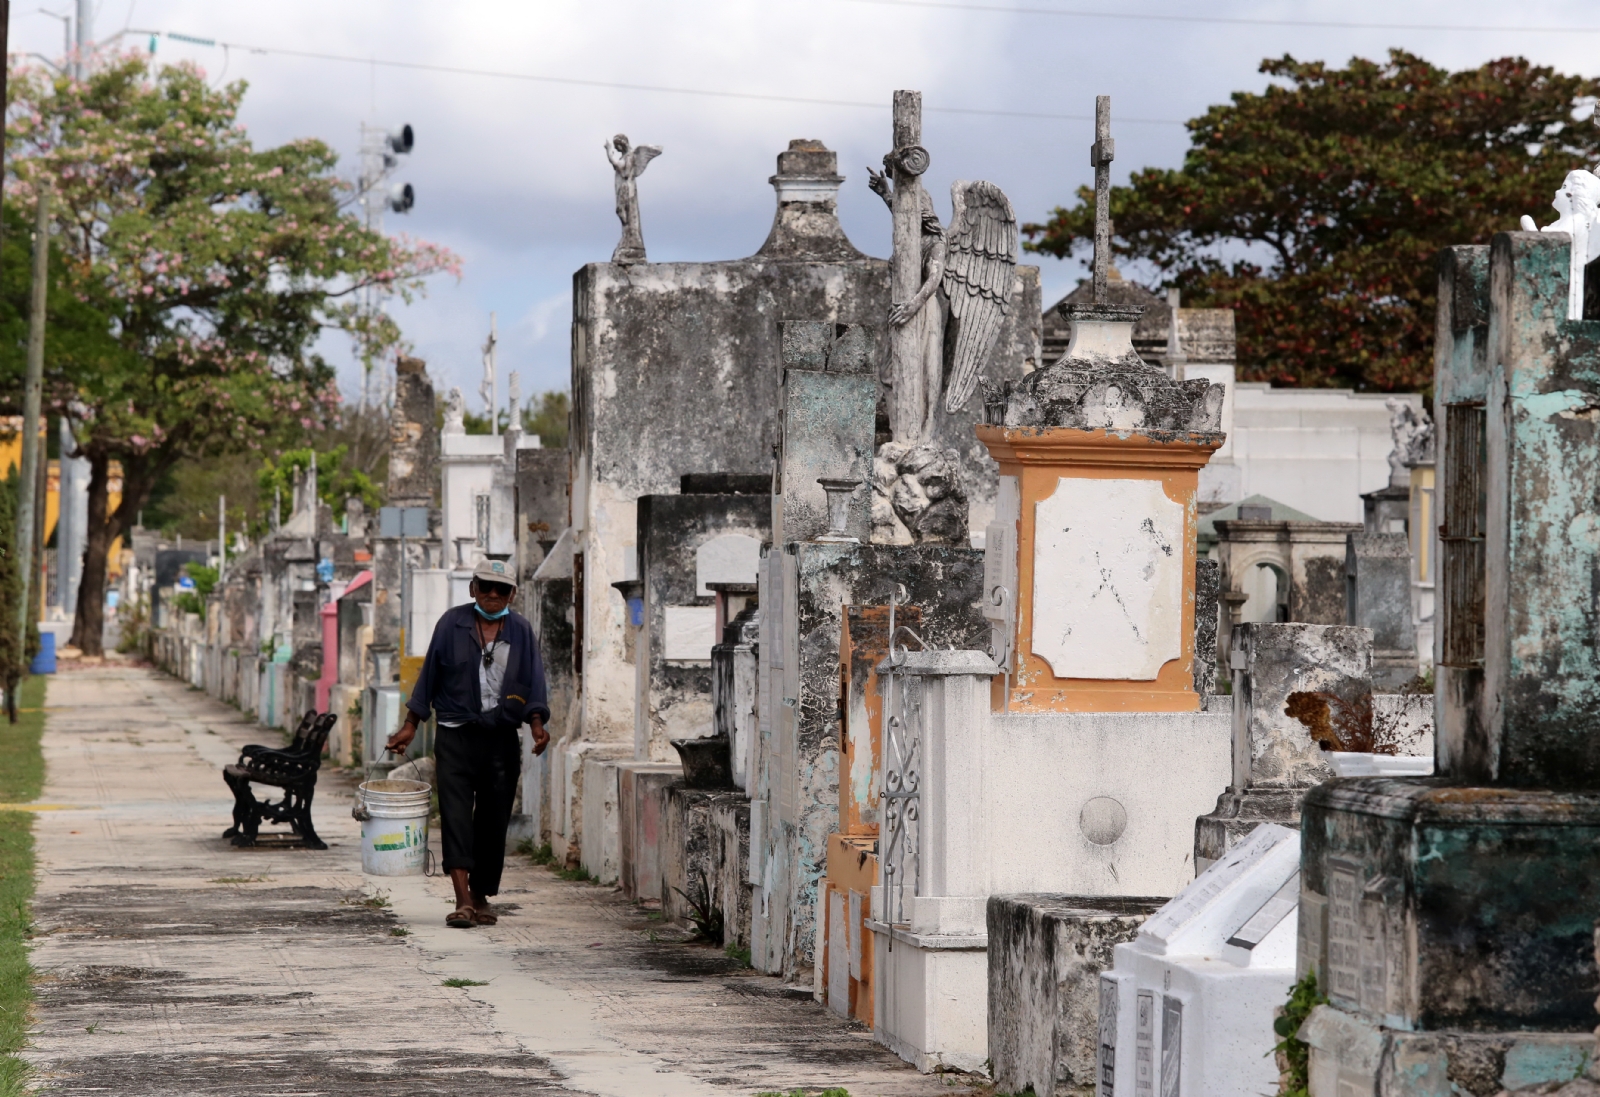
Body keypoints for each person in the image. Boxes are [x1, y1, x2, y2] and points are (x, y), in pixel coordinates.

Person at [386, 557, 550, 928]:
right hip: (455, 735)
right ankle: (461, 900)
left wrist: (537, 723)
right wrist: (411, 724)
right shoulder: (451, 624)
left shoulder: (521, 630)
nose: (493, 595)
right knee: (457, 817)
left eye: (502, 589)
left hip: (501, 738)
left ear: (512, 593)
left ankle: (481, 895)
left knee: (494, 820)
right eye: (485, 586)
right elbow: (429, 676)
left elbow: (533, 680)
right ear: (472, 588)